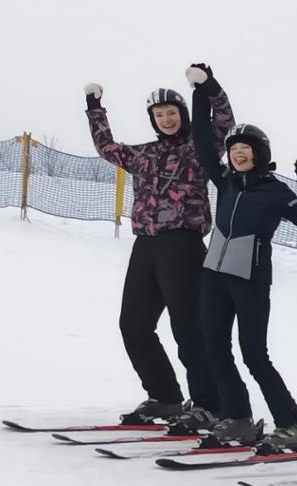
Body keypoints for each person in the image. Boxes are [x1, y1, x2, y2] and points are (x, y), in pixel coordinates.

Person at [190, 68, 297, 453]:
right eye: (234, 148)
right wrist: (200, 92)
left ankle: (291, 425)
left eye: (245, 148)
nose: (238, 153)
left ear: (259, 153)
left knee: (254, 355)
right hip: (213, 277)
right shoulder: (226, 182)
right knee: (215, 349)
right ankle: (238, 418)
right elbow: (202, 142)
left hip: (249, 280)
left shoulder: (274, 191)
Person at [85, 65, 227, 430]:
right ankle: (164, 397)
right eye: (159, 114)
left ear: (182, 114)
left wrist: (209, 87)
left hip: (183, 245)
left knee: (188, 328)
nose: (166, 119)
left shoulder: (199, 148)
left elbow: (223, 122)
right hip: (146, 245)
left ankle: (208, 404)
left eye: (171, 112)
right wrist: (95, 107)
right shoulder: (144, 154)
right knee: (133, 325)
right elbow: (106, 148)